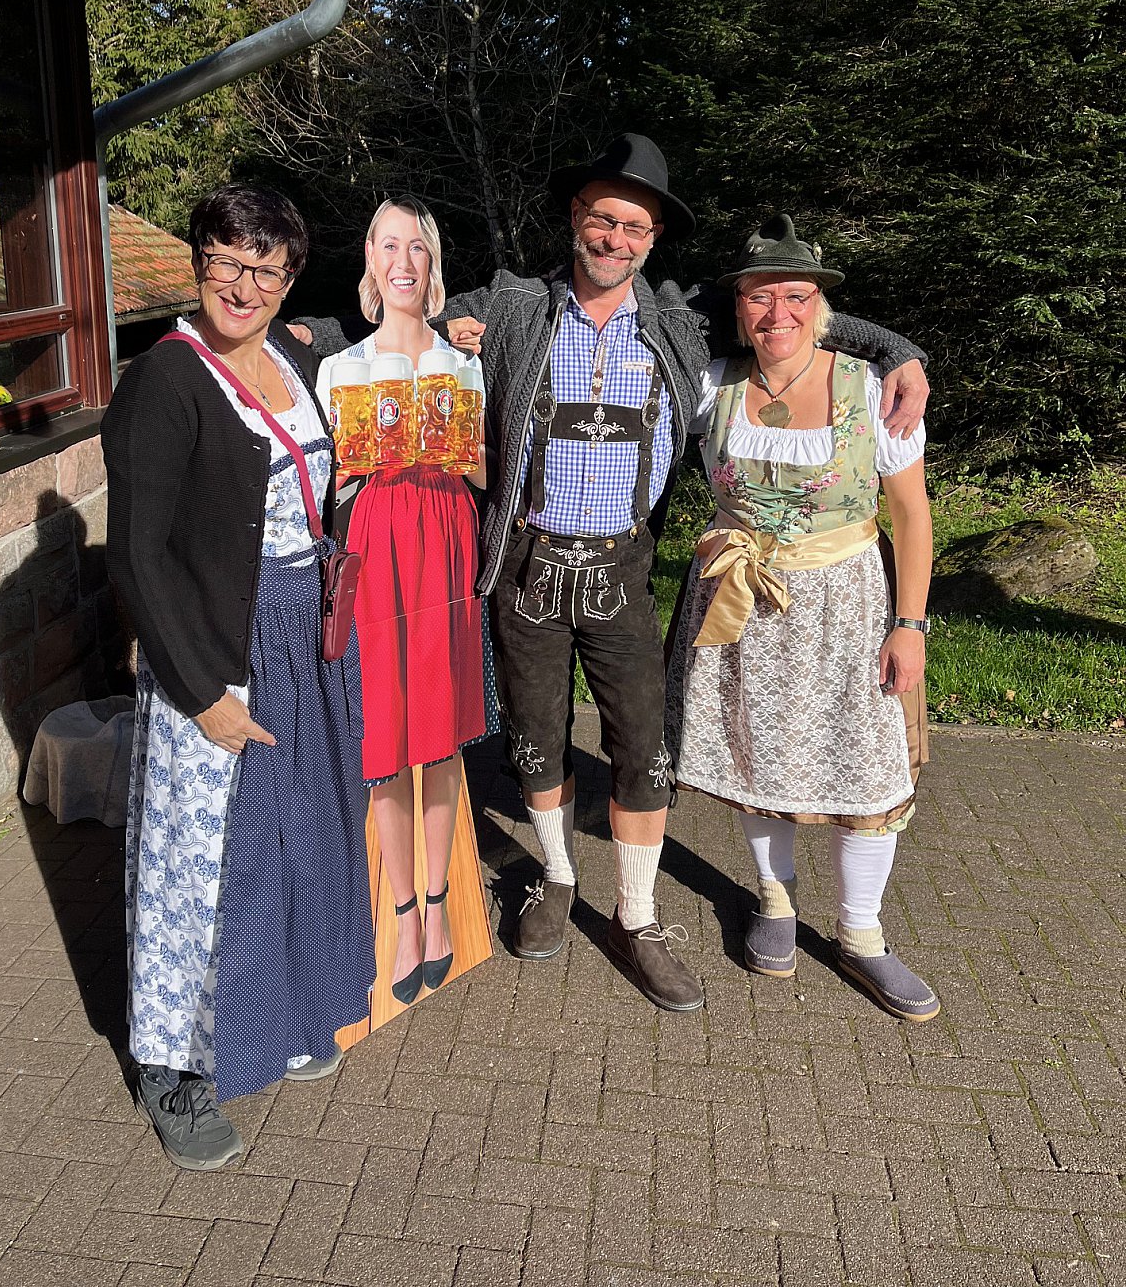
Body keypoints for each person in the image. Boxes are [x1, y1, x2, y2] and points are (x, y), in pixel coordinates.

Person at [294, 133, 929, 1013]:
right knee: (535, 738)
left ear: (653, 238)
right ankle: (557, 877)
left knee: (643, 748)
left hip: (622, 568)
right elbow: (405, 310)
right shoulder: (513, 305)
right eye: (602, 219)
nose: (615, 239)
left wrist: (897, 348)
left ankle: (638, 915)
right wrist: (305, 334)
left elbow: (784, 310)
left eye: (634, 227)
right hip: (527, 563)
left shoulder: (681, 324)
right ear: (575, 218)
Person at [102, 184, 374, 1170]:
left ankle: (285, 1010)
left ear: (291, 279)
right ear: (198, 261)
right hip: (217, 642)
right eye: (226, 260)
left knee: (296, 830)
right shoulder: (165, 380)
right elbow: (137, 554)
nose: (244, 285)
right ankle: (171, 1065)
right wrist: (201, 692)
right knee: (200, 856)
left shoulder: (292, 357)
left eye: (266, 268)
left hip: (302, 632)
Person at [664, 214, 938, 1021]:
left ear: (821, 307)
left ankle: (861, 933)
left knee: (869, 770)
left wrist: (910, 625)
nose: (777, 313)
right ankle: (774, 899)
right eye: (759, 297)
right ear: (736, 308)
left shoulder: (873, 388)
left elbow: (912, 516)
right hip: (741, 601)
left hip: (849, 606)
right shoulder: (711, 384)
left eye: (795, 295)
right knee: (757, 756)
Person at [328, 195, 494, 1007]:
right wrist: (346, 469)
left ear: (432, 265)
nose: (403, 261)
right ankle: (402, 911)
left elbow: (486, 470)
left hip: (446, 539)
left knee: (441, 732)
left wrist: (461, 448)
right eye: (389, 245)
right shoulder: (339, 367)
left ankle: (438, 904)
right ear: (370, 257)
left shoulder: (464, 362)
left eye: (417, 248)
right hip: (378, 541)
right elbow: (324, 487)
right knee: (387, 737)